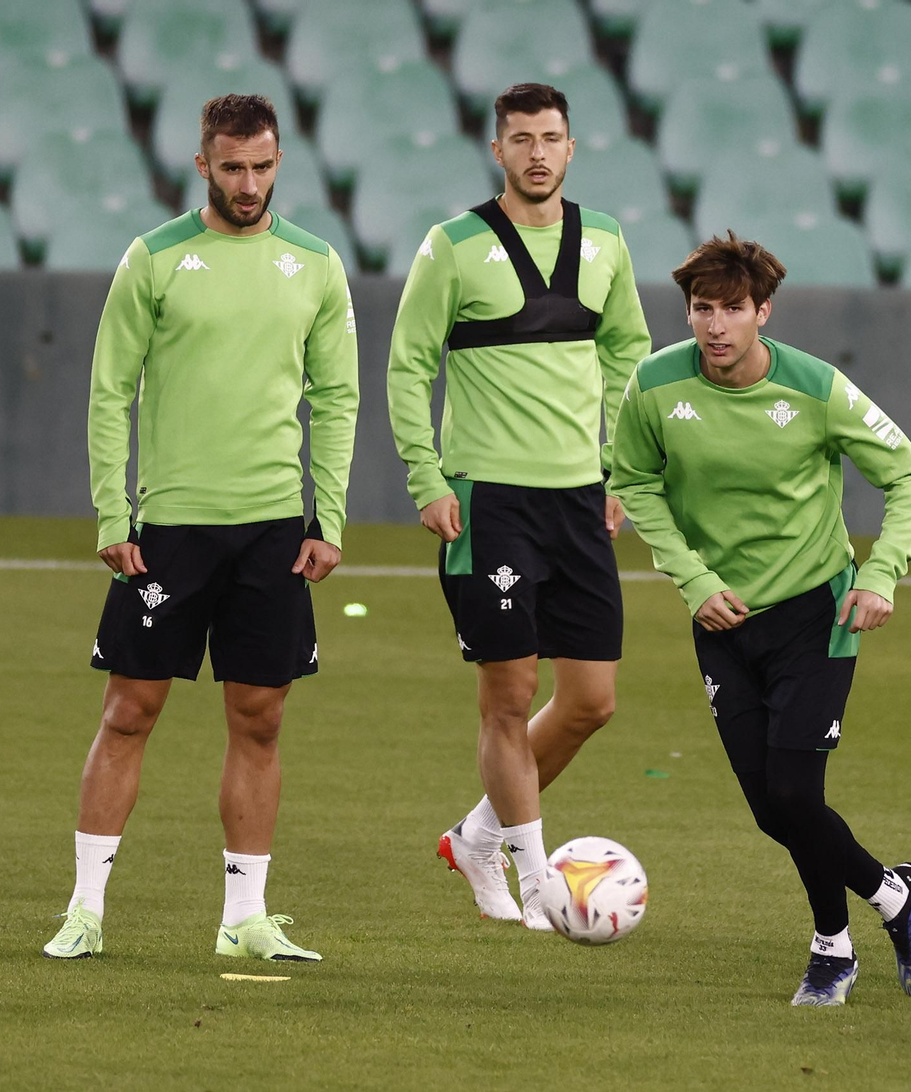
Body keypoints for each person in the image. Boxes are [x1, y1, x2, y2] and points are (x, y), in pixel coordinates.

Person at [43, 94, 359, 963]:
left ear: (279, 161)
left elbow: (336, 399)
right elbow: (110, 391)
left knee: (259, 720)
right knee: (129, 712)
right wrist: (115, 509)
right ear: (202, 165)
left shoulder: (317, 264)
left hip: (273, 530)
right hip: (170, 528)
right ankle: (85, 911)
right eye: (232, 167)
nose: (248, 183)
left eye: (261, 166)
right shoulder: (154, 259)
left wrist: (326, 516)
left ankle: (245, 920)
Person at [608, 233, 911, 1005]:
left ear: (764, 312)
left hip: (815, 613)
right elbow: (633, 482)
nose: (715, 325)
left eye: (731, 309)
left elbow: (909, 474)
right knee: (771, 810)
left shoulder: (817, 388)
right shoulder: (653, 386)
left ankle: (833, 950)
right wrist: (693, 579)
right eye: (700, 309)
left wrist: (881, 574)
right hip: (721, 621)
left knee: (794, 792)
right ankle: (896, 895)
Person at [386, 83, 652, 929]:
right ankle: (538, 881)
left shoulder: (606, 239)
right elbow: (406, 366)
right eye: (522, 139)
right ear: (497, 151)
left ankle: (476, 836)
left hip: (579, 500)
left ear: (572, 149)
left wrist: (621, 471)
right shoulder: (453, 246)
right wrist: (426, 477)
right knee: (509, 695)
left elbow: (630, 359)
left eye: (552, 138)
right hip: (487, 501)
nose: (538, 152)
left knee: (591, 702)